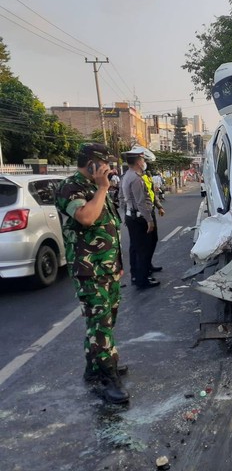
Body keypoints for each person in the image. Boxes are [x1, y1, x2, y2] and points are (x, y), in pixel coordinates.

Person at [54, 143, 129, 404]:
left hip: (107, 268)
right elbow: (86, 218)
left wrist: (118, 265)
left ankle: (94, 367)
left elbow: (109, 226)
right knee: (100, 325)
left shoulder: (96, 187)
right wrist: (102, 188)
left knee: (106, 321)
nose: (109, 168)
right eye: (105, 163)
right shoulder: (70, 187)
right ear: (91, 163)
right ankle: (107, 379)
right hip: (89, 270)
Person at [120, 148, 160, 289]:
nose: (144, 162)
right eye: (142, 160)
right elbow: (141, 202)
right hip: (139, 217)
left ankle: (137, 276)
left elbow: (123, 199)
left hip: (132, 216)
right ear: (138, 162)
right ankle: (142, 280)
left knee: (136, 248)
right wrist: (149, 220)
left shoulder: (127, 176)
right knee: (142, 249)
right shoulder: (136, 178)